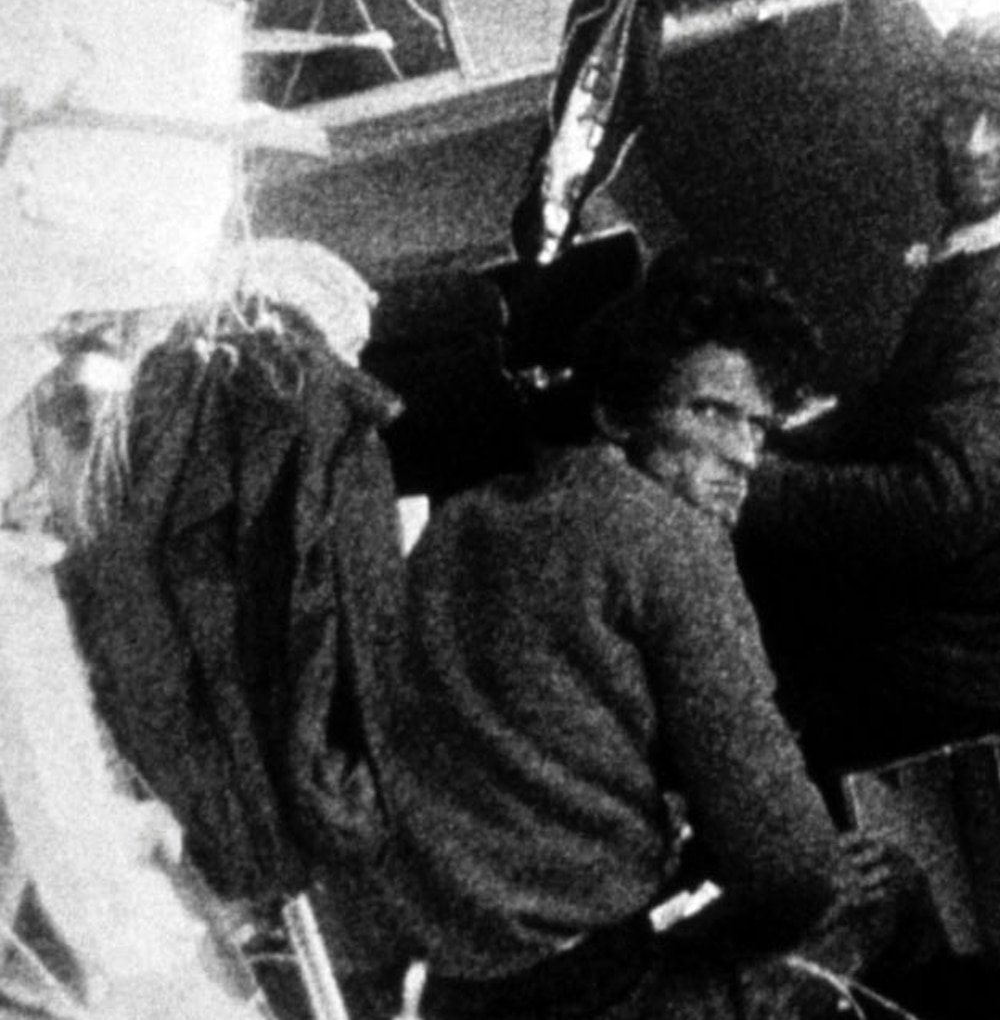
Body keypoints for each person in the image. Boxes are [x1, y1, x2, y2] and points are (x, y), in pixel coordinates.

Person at [378, 252, 905, 1020]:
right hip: (586, 994)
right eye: (711, 412)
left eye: (758, 424)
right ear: (618, 412)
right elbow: (792, 874)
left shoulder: (465, 520)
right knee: (890, 891)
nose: (744, 454)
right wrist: (790, 889)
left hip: (442, 985)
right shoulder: (669, 539)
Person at [736, 2, 1000, 778]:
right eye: (963, 110)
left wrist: (746, 487)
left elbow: (937, 507)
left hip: (959, 667)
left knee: (702, 621)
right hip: (973, 628)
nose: (972, 144)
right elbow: (901, 411)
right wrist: (773, 442)